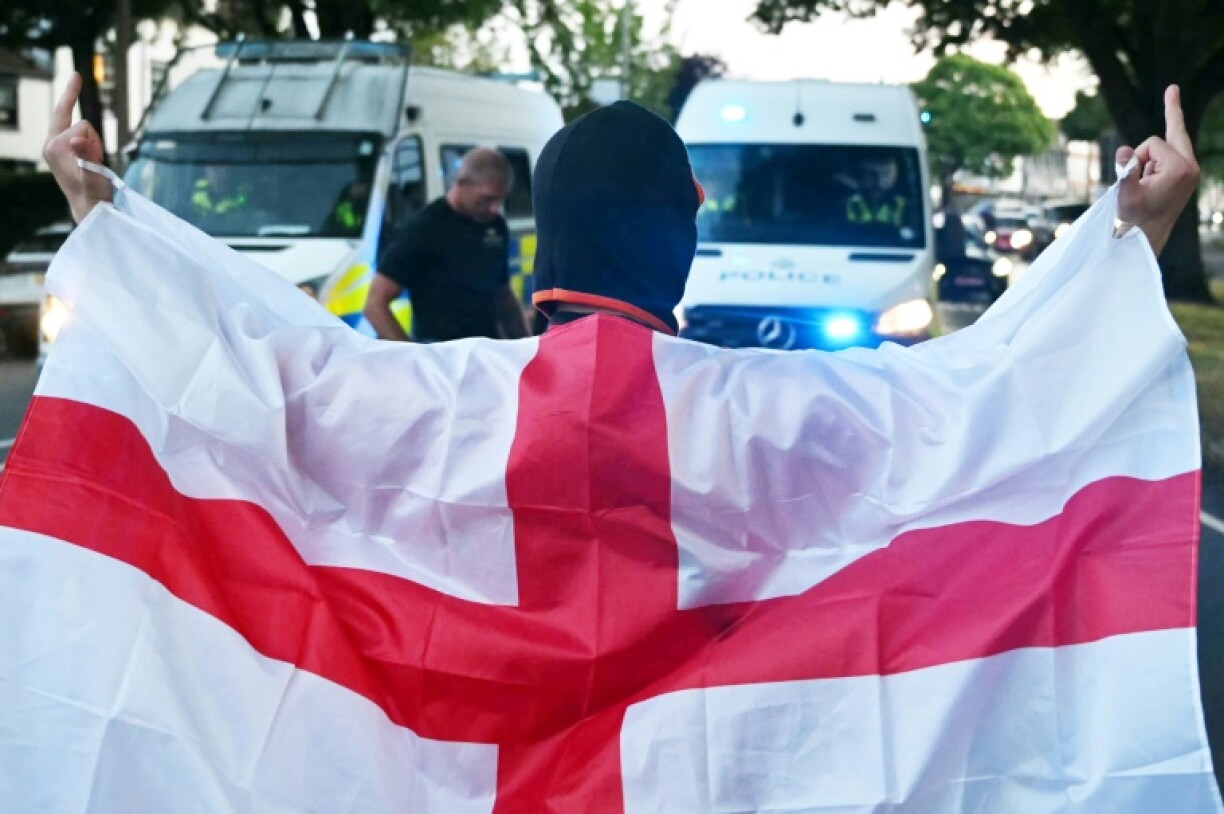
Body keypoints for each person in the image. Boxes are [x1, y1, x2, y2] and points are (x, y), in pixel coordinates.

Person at [45, 72, 1197, 334]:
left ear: (544, 235)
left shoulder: (423, 405)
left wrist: (104, 210)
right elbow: (992, 398)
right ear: (685, 244)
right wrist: (1133, 230)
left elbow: (243, 354)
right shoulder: (780, 427)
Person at [362, 147, 529, 343]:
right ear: (461, 183)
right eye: (487, 198)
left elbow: (503, 296)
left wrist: (529, 350)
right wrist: (416, 359)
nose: (494, 208)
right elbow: (374, 305)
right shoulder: (424, 228)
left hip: (484, 350)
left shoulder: (495, 226)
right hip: (442, 353)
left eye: (500, 199)